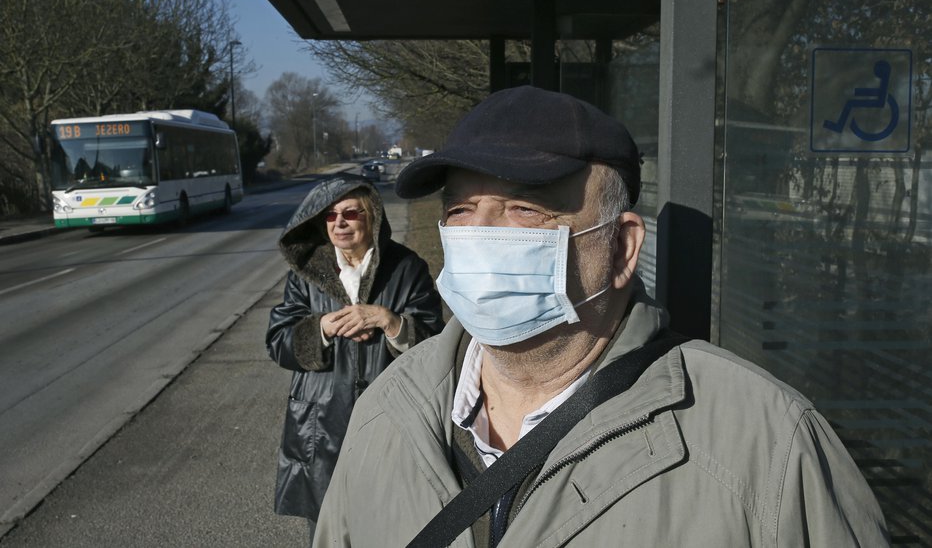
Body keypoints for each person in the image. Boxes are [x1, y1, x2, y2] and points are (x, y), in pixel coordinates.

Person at [313, 86, 889, 547]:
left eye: (524, 208)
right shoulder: (387, 414)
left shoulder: (769, 446)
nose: (481, 234)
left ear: (620, 248)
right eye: (461, 209)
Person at [266, 175, 444, 544]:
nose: (340, 223)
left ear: (373, 217)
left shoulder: (406, 268)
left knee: (390, 524)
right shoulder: (305, 276)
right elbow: (278, 340)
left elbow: (437, 345)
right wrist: (321, 328)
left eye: (351, 213)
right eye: (330, 216)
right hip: (321, 425)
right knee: (329, 530)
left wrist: (390, 322)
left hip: (391, 416)